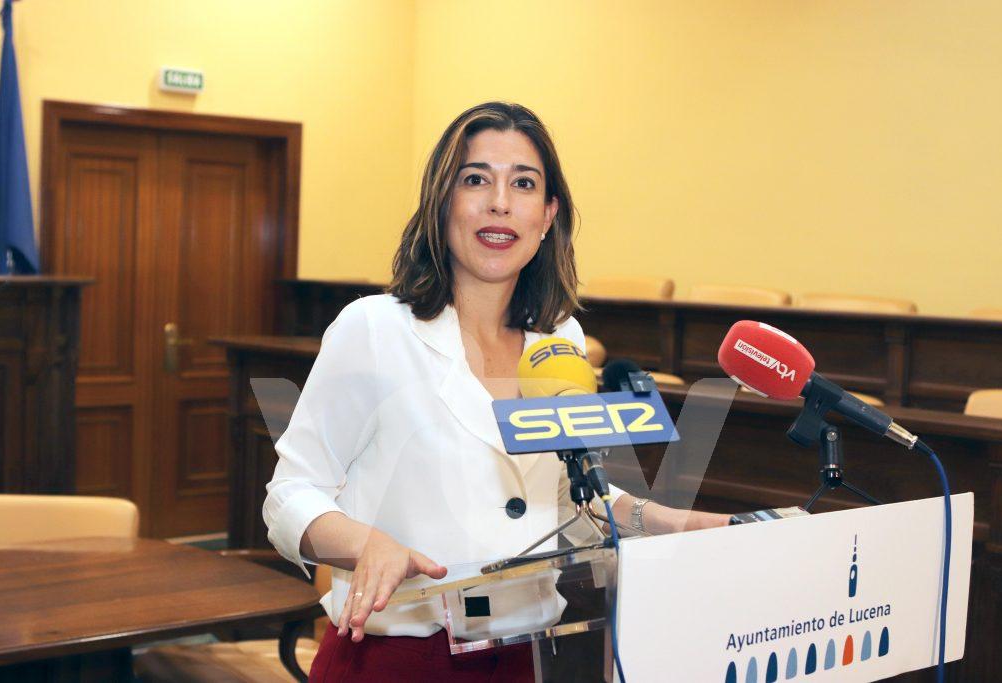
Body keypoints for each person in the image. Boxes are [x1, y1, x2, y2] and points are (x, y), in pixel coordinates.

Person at [264, 101, 729, 682]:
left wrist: (677, 524)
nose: (500, 202)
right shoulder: (374, 329)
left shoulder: (560, 339)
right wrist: (367, 543)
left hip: (528, 658)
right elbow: (289, 496)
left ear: (548, 213)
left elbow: (568, 499)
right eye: (476, 179)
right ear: (443, 203)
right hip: (396, 660)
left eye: (524, 183)